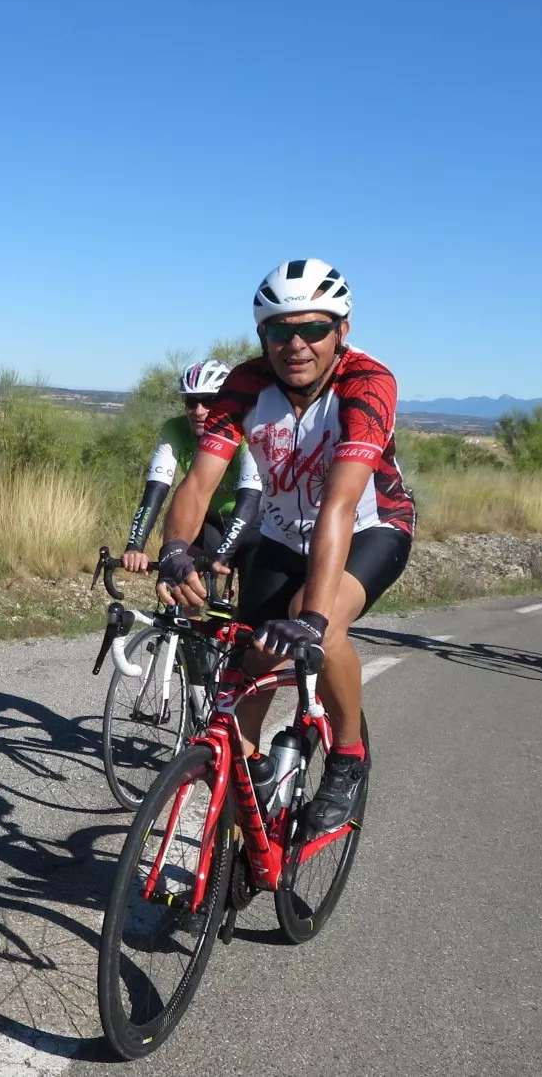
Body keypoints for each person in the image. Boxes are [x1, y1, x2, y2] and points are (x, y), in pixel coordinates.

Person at [154, 259, 416, 837]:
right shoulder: (245, 385)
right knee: (251, 665)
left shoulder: (367, 383)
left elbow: (341, 505)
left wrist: (316, 616)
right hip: (280, 533)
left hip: (371, 527)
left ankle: (348, 758)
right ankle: (238, 811)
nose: (295, 344)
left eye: (313, 329)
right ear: (261, 336)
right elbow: (198, 483)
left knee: (314, 621)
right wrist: (174, 548)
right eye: (279, 331)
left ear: (341, 331)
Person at [120, 360, 265, 589]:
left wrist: (222, 555)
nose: (199, 411)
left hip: (255, 523)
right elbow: (155, 491)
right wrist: (135, 546)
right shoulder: (175, 428)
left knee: (253, 611)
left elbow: (250, 499)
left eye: (209, 401)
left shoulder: (247, 432)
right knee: (181, 579)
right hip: (211, 521)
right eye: (191, 401)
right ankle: (187, 621)